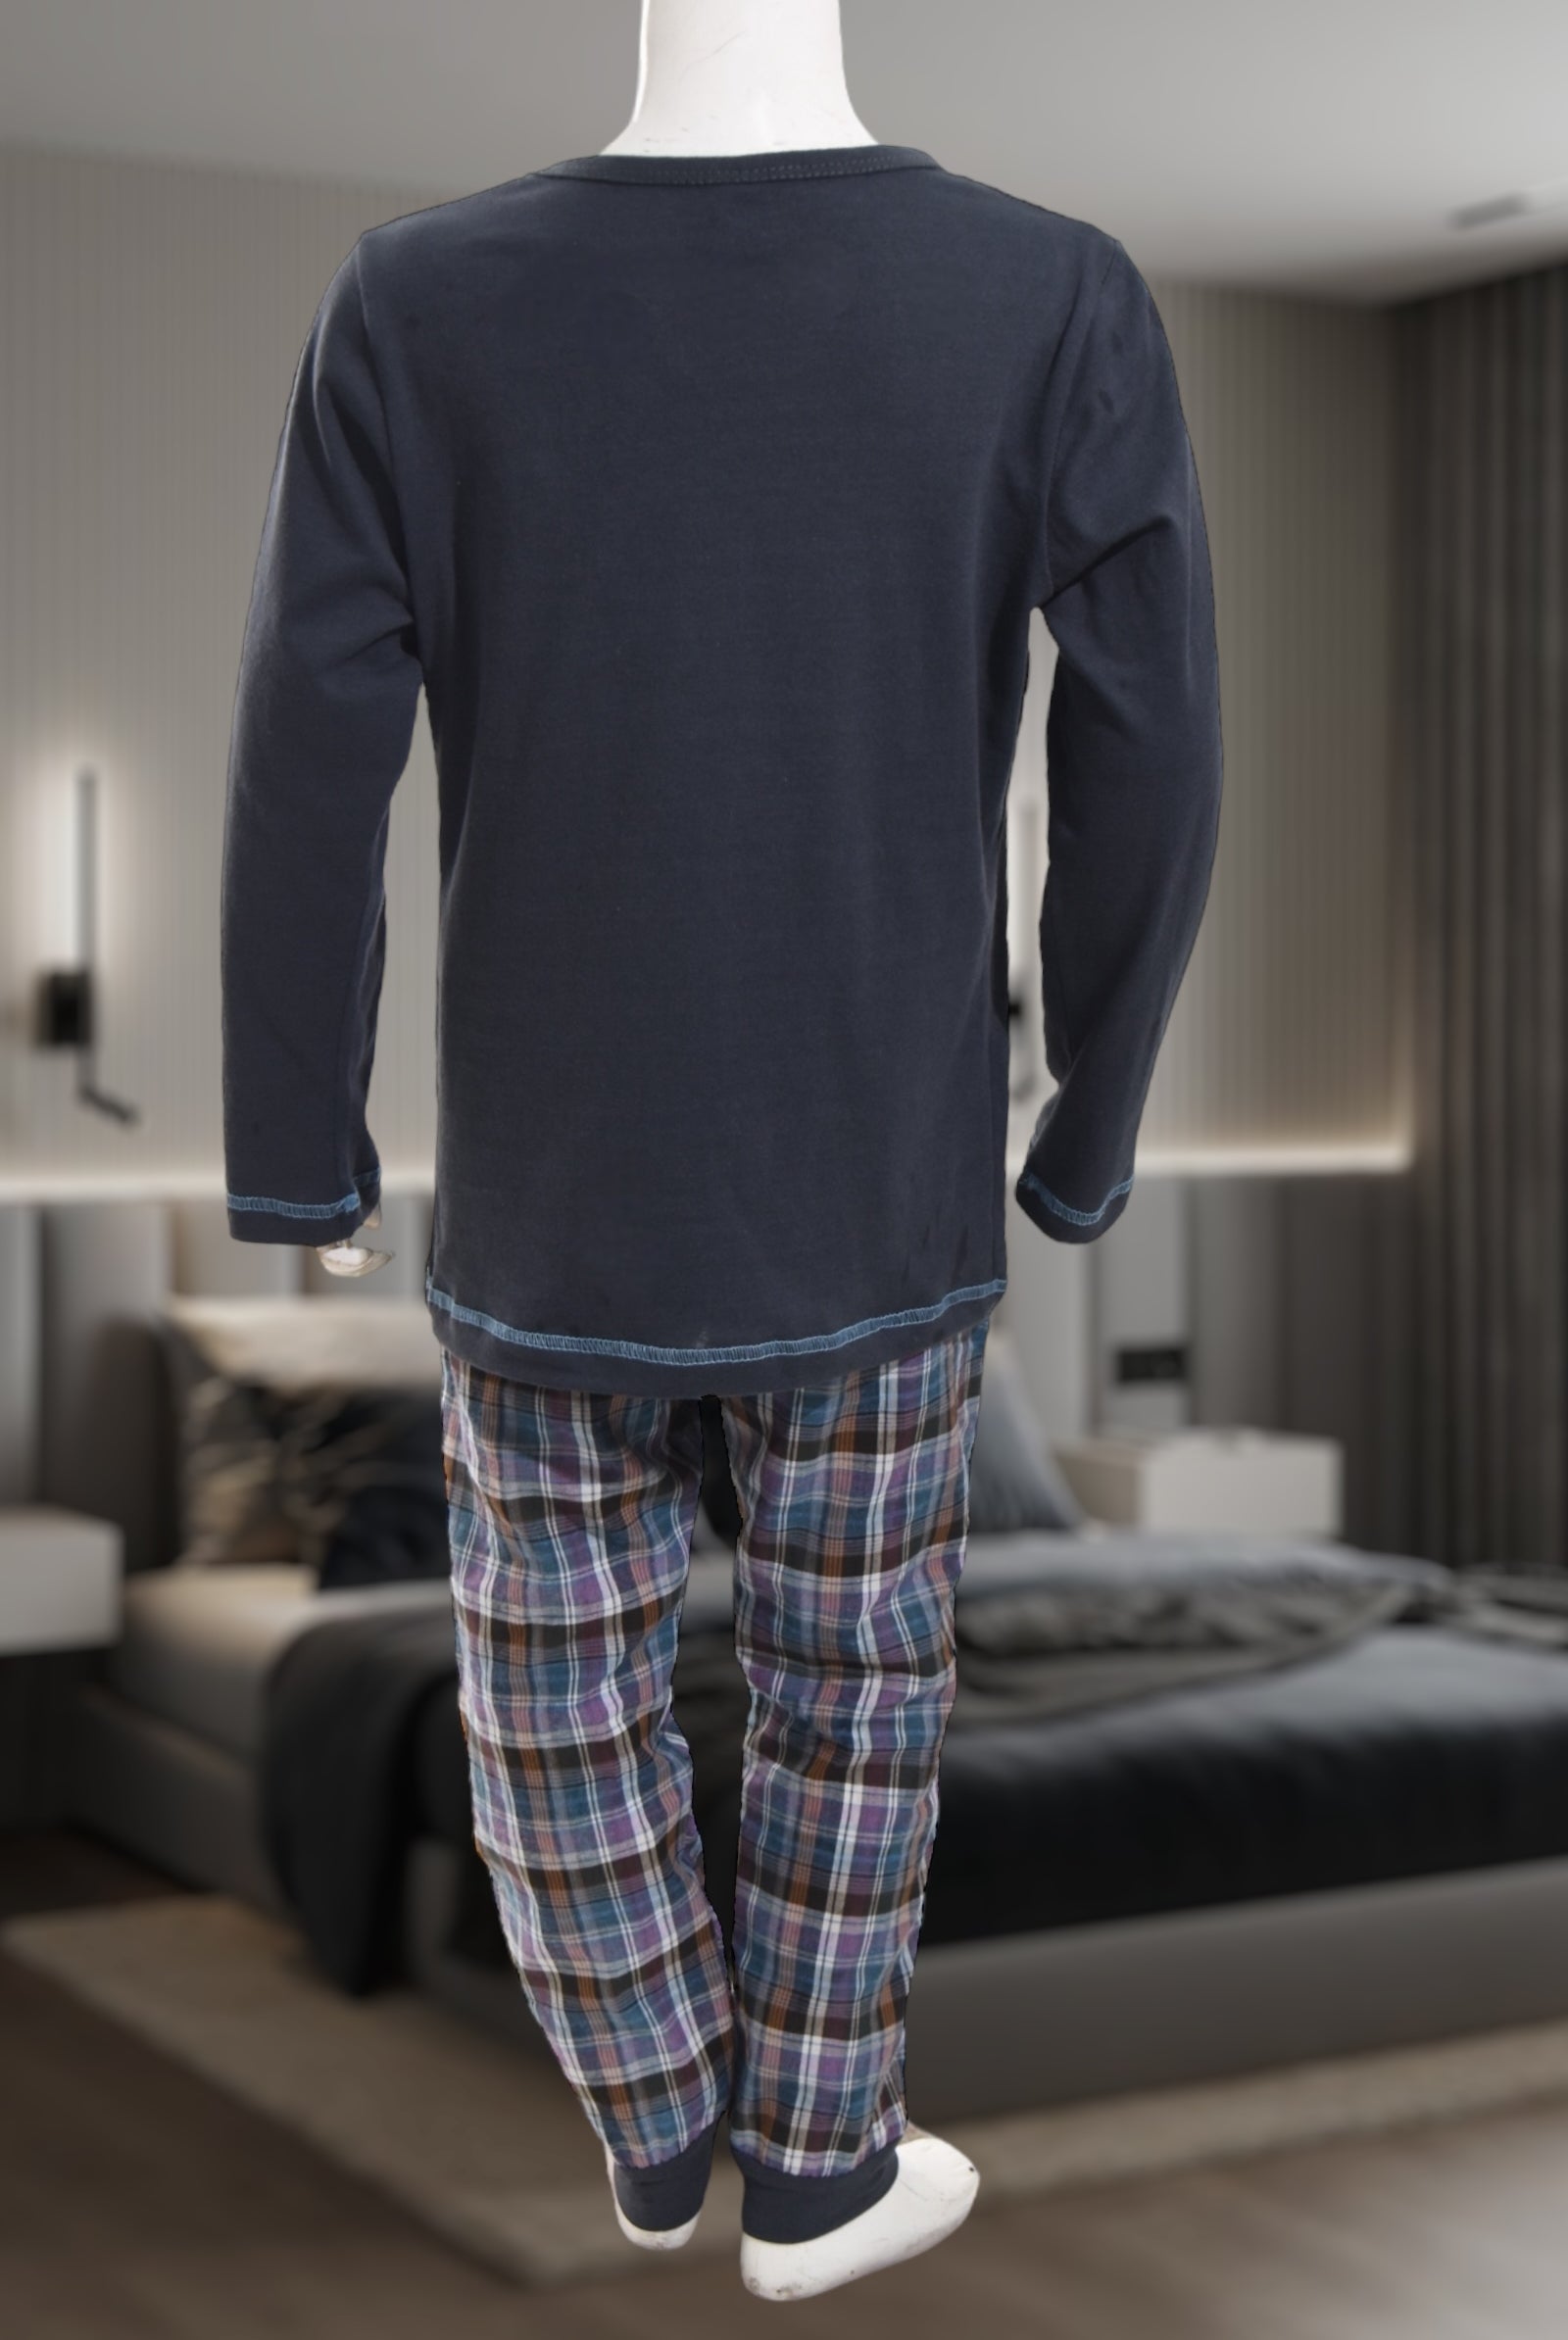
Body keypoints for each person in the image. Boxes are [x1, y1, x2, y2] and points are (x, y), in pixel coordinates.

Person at [220, 0, 1223, 2302]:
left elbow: (305, 743)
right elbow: (1151, 745)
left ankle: (659, 2121)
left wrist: (300, 1157)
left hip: (550, 1195)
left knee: (545, 1696)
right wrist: (1084, 1128)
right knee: (850, 1700)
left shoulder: (414, 299)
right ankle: (816, 2169)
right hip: (877, 1186)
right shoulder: (1047, 294)